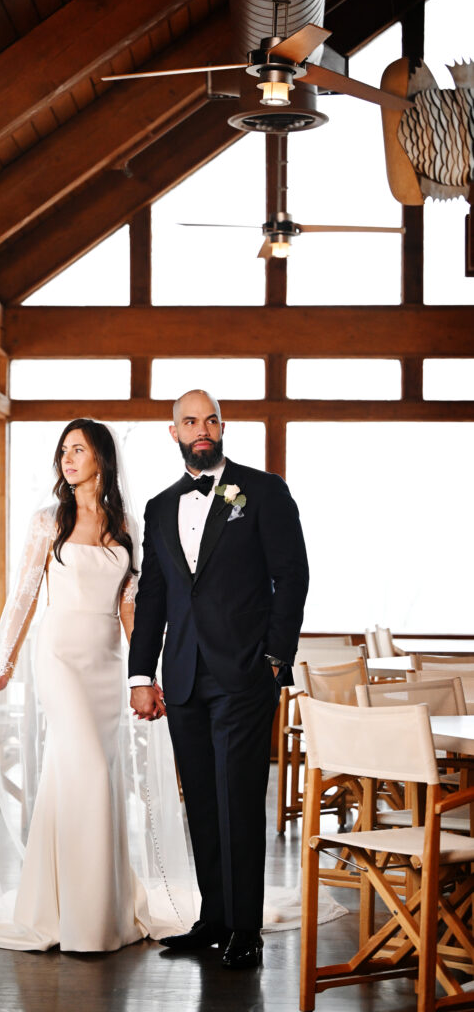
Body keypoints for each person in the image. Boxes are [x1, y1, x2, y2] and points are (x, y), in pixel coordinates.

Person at [0, 419, 195, 952]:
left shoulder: (124, 524)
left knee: (82, 774)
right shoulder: (48, 521)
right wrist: (2, 663)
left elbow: (130, 605)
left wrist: (144, 675)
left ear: (101, 457)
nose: (68, 459)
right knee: (90, 770)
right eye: (63, 451)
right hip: (57, 656)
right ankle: (77, 916)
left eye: (78, 449)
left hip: (105, 661)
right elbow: (24, 596)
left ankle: (94, 907)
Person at [128, 390, 310, 969]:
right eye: (189, 421)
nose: (200, 429)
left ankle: (244, 930)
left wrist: (276, 659)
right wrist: (141, 673)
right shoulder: (159, 508)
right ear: (173, 431)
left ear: (223, 427)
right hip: (181, 677)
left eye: (209, 420)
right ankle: (211, 920)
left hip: (245, 675)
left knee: (238, 801)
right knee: (201, 802)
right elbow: (152, 596)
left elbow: (292, 576)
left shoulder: (263, 491)